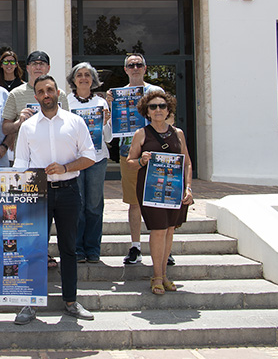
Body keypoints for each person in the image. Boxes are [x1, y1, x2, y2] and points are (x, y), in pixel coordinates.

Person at [13, 75, 96, 324]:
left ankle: (70, 300)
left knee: (68, 248)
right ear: (36, 96)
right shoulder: (27, 127)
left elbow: (89, 157)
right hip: (37, 193)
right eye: (41, 91)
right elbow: (20, 163)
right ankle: (30, 304)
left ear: (58, 92)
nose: (46, 94)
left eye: (50, 89)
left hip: (69, 190)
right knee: (34, 249)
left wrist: (64, 167)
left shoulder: (75, 122)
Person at [1, 50, 68, 267]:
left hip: (54, 165)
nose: (38, 66)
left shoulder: (61, 95)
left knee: (49, 215)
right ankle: (26, 252)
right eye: (34, 63)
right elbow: (5, 127)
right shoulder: (16, 94)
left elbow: (67, 124)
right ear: (27, 67)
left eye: (42, 63)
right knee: (27, 214)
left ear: (48, 68)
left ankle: (46, 253)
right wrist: (20, 122)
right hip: (24, 163)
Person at [126, 90, 193, 295]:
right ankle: (156, 276)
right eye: (153, 106)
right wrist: (141, 161)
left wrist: (189, 188)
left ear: (168, 109)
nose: (158, 110)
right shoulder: (141, 134)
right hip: (151, 191)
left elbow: (187, 163)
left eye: (162, 106)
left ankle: (164, 275)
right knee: (158, 230)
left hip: (175, 190)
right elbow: (130, 162)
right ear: (146, 111)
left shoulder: (178, 133)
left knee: (170, 230)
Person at [110, 53, 165, 267]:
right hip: (128, 153)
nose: (135, 68)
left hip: (154, 153)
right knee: (134, 203)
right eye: (131, 65)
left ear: (145, 67)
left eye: (138, 64)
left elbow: (167, 119)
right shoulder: (118, 95)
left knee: (157, 202)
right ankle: (136, 246)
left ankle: (162, 248)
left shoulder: (156, 93)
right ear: (125, 69)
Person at [66, 62, 113, 263]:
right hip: (75, 159)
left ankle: (93, 249)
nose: (84, 78)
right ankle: (77, 248)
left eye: (87, 75)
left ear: (93, 79)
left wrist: (106, 122)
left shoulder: (101, 103)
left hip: (97, 159)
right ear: (73, 80)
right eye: (79, 75)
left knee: (94, 205)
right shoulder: (66, 102)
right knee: (78, 204)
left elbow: (109, 138)